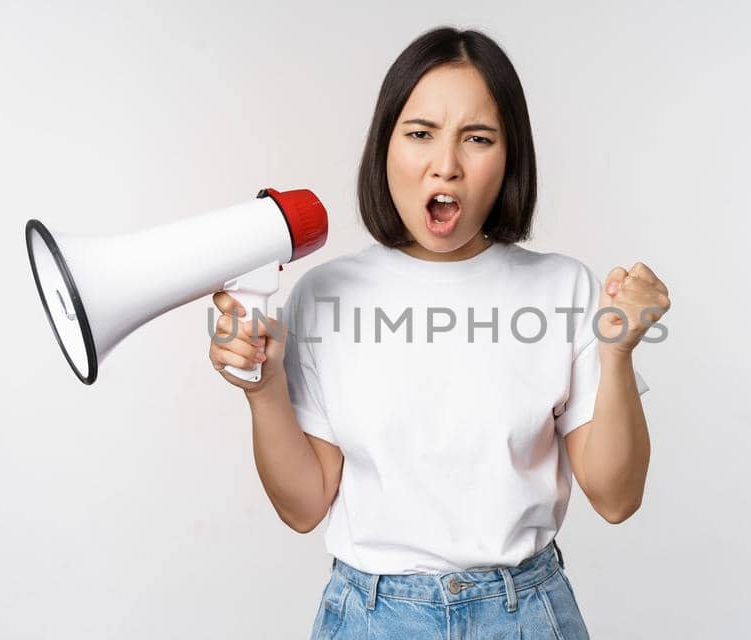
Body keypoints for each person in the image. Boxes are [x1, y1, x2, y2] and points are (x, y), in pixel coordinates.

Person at [207, 26, 670, 639]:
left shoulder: (565, 290)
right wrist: (262, 391)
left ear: (509, 158)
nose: (445, 165)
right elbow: (303, 505)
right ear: (386, 148)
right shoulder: (324, 295)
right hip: (370, 618)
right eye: (420, 134)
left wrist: (617, 354)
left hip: (525, 616)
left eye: (477, 139)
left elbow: (616, 498)